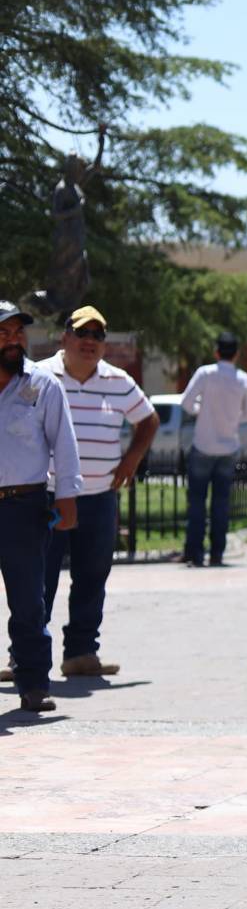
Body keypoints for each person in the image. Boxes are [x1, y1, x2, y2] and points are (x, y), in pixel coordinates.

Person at [34, 306, 155, 679]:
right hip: (47, 495)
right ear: (65, 338)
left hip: (100, 495)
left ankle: (81, 653)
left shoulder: (118, 381)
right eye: (82, 333)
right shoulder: (39, 376)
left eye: (98, 335)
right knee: (37, 577)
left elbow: (148, 420)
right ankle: (26, 655)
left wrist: (131, 459)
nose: (90, 341)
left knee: (92, 576)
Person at [0, 301, 81, 712]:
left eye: (18, 332)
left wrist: (67, 496)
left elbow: (64, 444)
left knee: (29, 600)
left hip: (24, 506)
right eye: (3, 333)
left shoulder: (43, 385)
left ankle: (33, 683)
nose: (13, 340)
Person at [179, 330, 247, 567]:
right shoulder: (244, 379)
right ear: (236, 354)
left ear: (216, 352)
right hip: (228, 447)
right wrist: (233, 418)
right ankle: (217, 553)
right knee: (221, 504)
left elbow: (186, 402)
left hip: (203, 444)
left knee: (197, 502)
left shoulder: (206, 374)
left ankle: (195, 552)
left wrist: (202, 410)